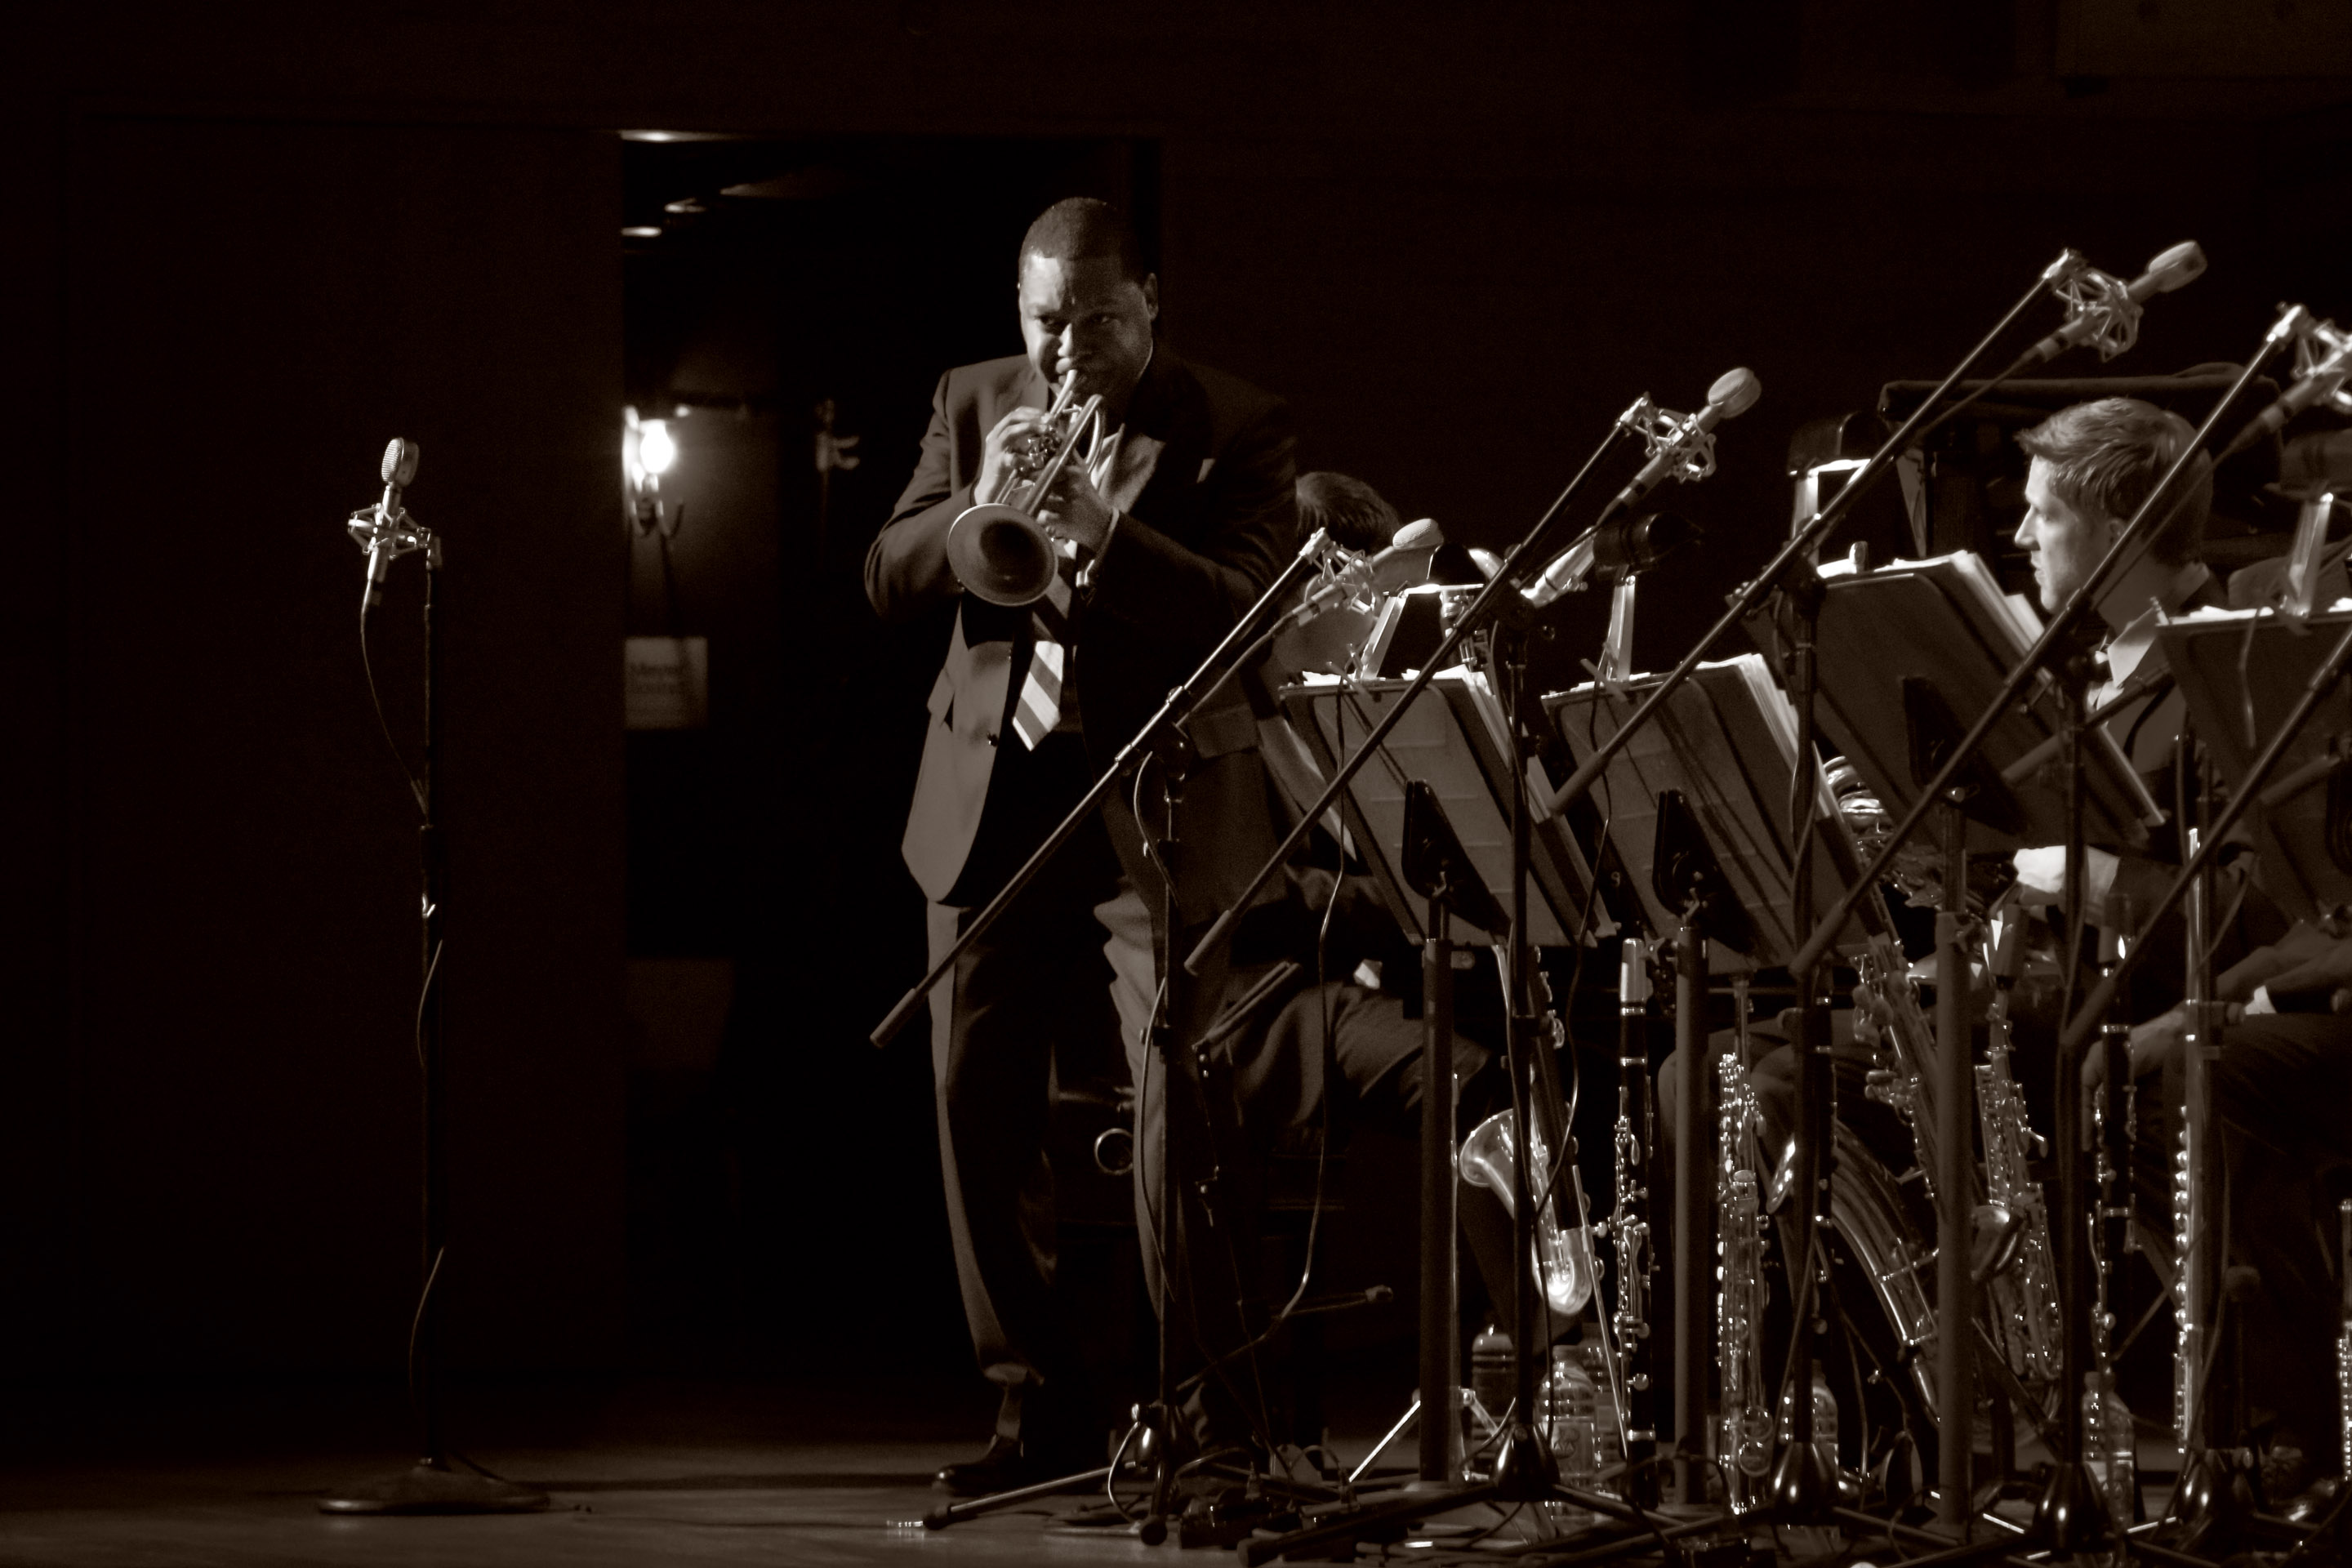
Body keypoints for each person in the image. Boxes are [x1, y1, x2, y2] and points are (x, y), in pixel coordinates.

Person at [865, 197, 1298, 1494]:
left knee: (1183, 1106)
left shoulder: (1236, 424)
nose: (1068, 351)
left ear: (1150, 301)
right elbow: (886, 573)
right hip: (996, 798)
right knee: (973, 1102)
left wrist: (1109, 542)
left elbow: (1248, 615)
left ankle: (1206, 1416)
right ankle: (1035, 1408)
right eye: (1048, 321)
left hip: (1155, 803)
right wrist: (971, 521)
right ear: (1021, 311)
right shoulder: (970, 398)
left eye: (1098, 320)